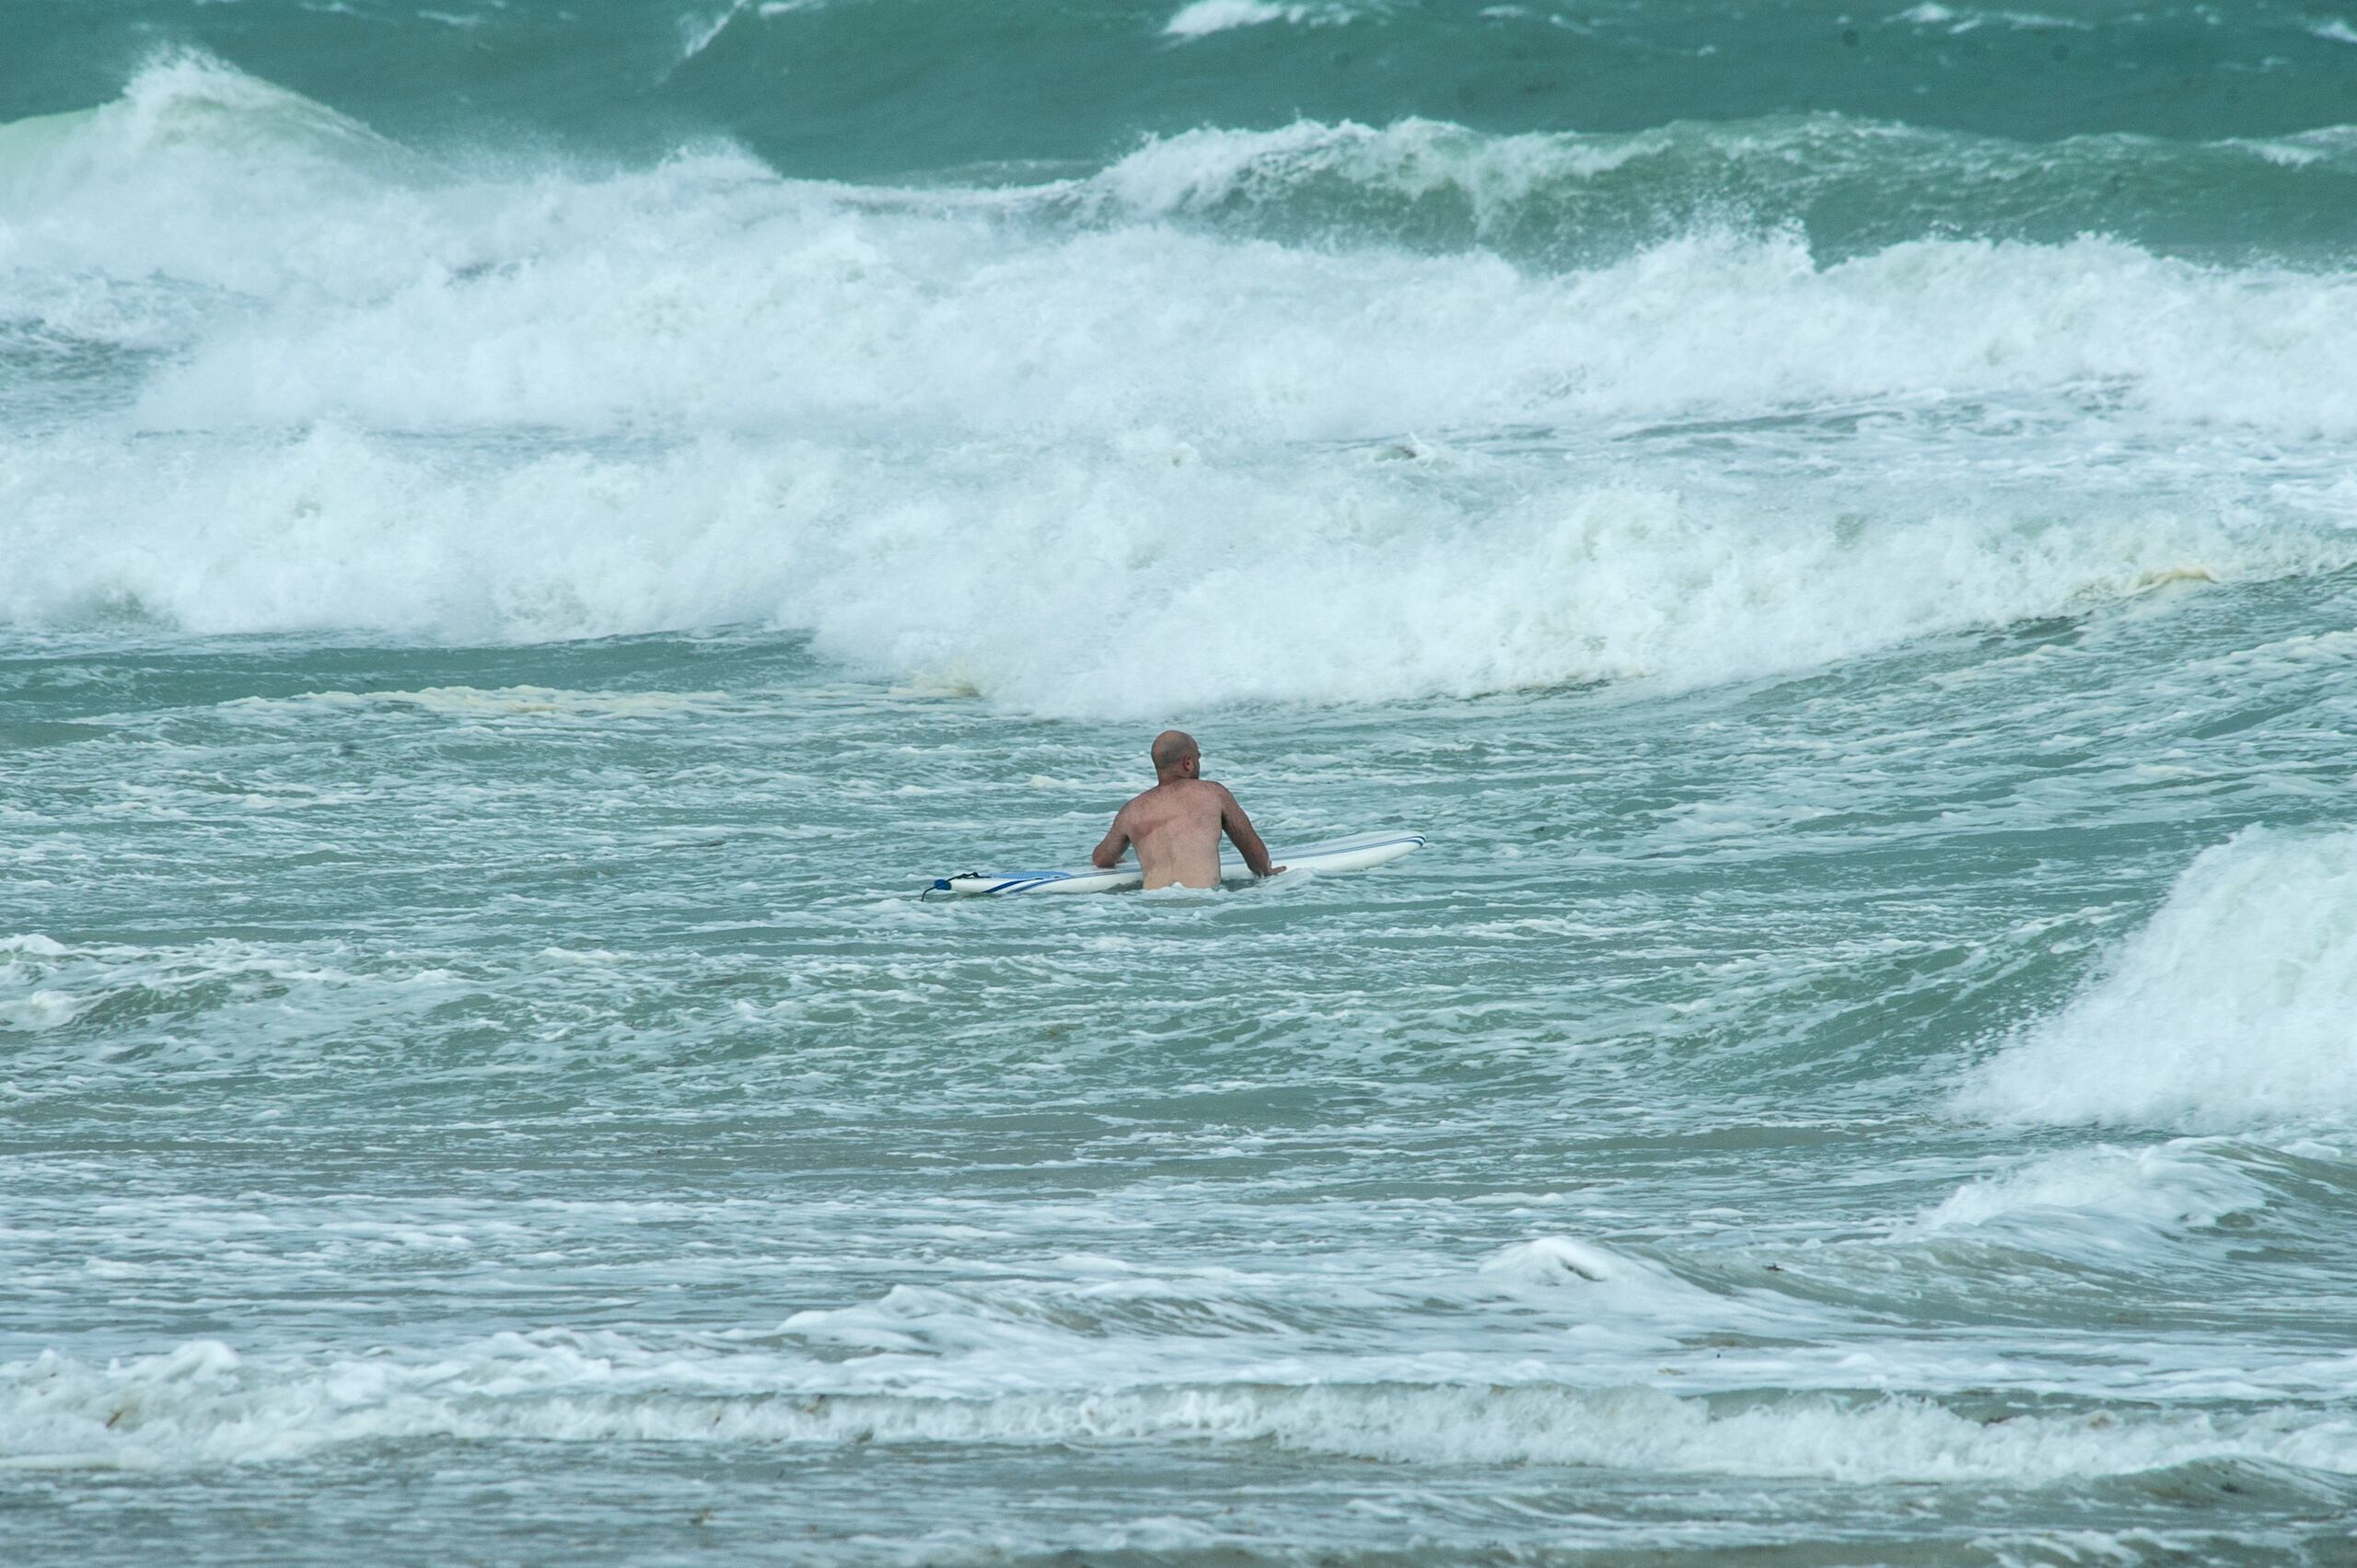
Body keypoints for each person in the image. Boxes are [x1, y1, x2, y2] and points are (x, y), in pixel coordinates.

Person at [1092, 730, 1282, 889]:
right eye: (1198, 758)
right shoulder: (1213, 793)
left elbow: (1101, 859)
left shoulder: (1131, 810)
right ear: (1188, 762)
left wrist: (1119, 859)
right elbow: (1254, 854)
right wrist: (1267, 871)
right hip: (1202, 901)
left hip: (1153, 905)